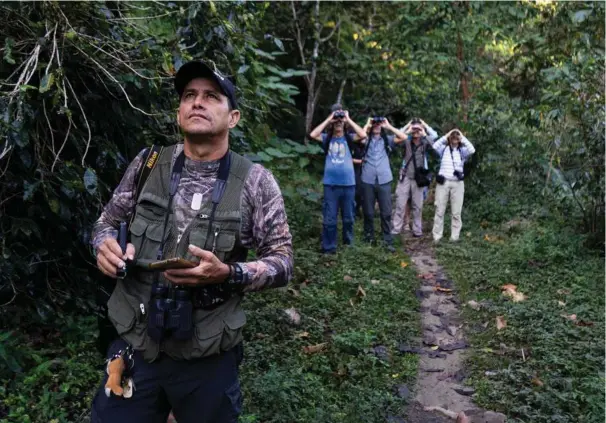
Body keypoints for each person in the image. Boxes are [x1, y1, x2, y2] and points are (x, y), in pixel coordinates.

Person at [90, 61, 294, 423]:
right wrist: (105, 246)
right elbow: (106, 223)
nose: (196, 102)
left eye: (211, 96)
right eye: (189, 96)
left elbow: (282, 261)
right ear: (179, 111)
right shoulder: (149, 163)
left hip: (207, 354)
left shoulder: (255, 182)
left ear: (233, 117)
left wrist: (229, 273)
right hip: (134, 345)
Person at [309, 104, 367, 254]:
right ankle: (329, 247)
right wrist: (330, 119)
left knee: (348, 218)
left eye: (340, 121)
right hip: (331, 185)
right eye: (337, 121)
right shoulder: (326, 138)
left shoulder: (349, 137)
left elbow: (363, 135)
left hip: (348, 184)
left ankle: (348, 243)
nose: (339, 123)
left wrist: (348, 119)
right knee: (330, 219)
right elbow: (313, 134)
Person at [359, 116, 407, 252]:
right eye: (375, 124)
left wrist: (388, 126)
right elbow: (360, 136)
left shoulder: (388, 140)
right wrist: (368, 124)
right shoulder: (365, 140)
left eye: (378, 124)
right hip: (368, 179)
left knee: (386, 212)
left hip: (384, 180)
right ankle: (369, 237)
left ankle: (387, 240)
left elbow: (403, 137)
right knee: (368, 212)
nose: (377, 125)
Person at [391, 118, 438, 238]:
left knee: (418, 205)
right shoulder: (406, 140)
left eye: (418, 129)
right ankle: (396, 229)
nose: (416, 131)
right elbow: (396, 137)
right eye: (414, 129)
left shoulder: (425, 142)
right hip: (405, 176)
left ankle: (417, 230)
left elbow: (435, 146)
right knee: (400, 204)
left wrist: (424, 131)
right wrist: (408, 127)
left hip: (419, 178)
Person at [432, 128, 476, 242]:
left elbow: (472, 150)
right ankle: (437, 236)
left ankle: (454, 237)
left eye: (457, 137)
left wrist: (461, 135)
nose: (455, 138)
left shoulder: (463, 151)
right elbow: (435, 146)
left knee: (456, 212)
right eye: (453, 136)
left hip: (458, 184)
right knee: (439, 210)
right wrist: (447, 134)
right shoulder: (444, 149)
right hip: (443, 183)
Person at [351, 139, 366, 218]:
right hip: (355, 170)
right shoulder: (353, 145)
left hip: (365, 171)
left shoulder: (367, 145)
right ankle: (354, 210)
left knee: (362, 192)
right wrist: (361, 161)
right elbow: (348, 158)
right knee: (356, 191)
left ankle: (358, 209)